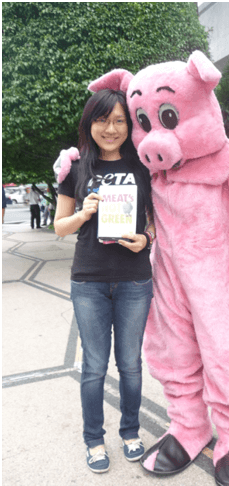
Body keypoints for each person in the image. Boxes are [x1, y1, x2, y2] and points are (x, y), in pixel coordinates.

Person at [54, 89, 155, 474]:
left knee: (130, 363)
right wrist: (83, 214)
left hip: (134, 280)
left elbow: (154, 220)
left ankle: (131, 432)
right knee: (94, 366)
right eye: (102, 120)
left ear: (129, 125)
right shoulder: (76, 169)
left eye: (119, 120)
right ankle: (93, 440)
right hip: (89, 281)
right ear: (89, 123)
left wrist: (145, 239)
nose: (110, 128)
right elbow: (60, 227)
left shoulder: (143, 166)